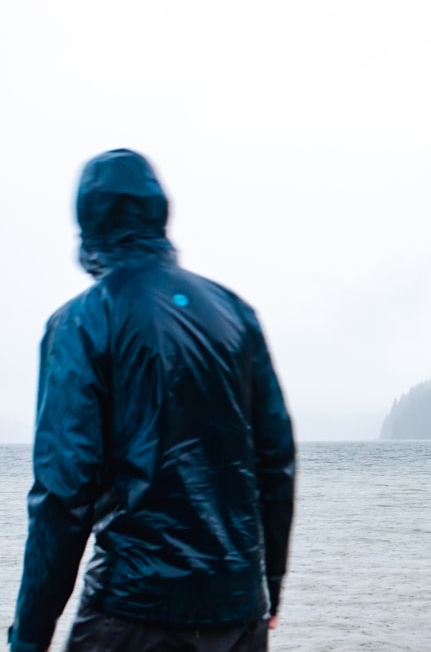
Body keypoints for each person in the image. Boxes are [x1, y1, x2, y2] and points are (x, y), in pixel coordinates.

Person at [9, 149, 296, 652]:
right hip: (238, 617)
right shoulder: (235, 315)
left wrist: (29, 637)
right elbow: (276, 463)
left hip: (134, 615)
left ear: (88, 222)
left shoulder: (84, 321)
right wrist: (268, 588)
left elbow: (62, 495)